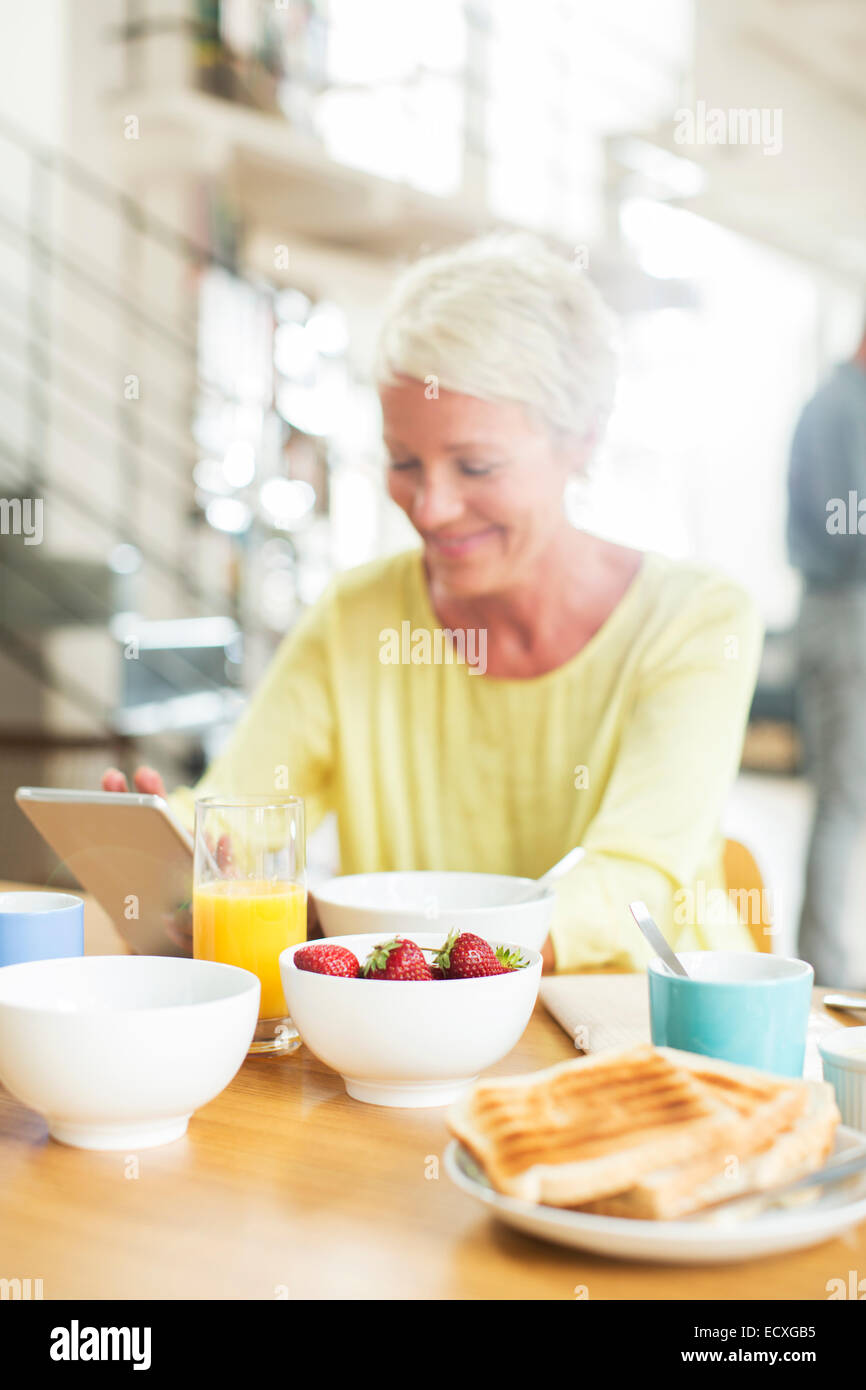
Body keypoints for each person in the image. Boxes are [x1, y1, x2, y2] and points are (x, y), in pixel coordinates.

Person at [104, 234, 762, 973]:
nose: (434, 506)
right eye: (404, 462)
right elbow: (242, 815)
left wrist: (392, 943)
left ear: (582, 438)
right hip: (415, 1042)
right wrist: (173, 845)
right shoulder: (357, 618)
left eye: (475, 465)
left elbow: (632, 881)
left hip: (656, 1032)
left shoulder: (697, 621)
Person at [788, 322, 866, 986]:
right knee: (844, 798)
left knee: (847, 795)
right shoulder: (845, 407)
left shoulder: (836, 402)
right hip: (847, 615)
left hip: (840, 612)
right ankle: (828, 974)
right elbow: (850, 525)